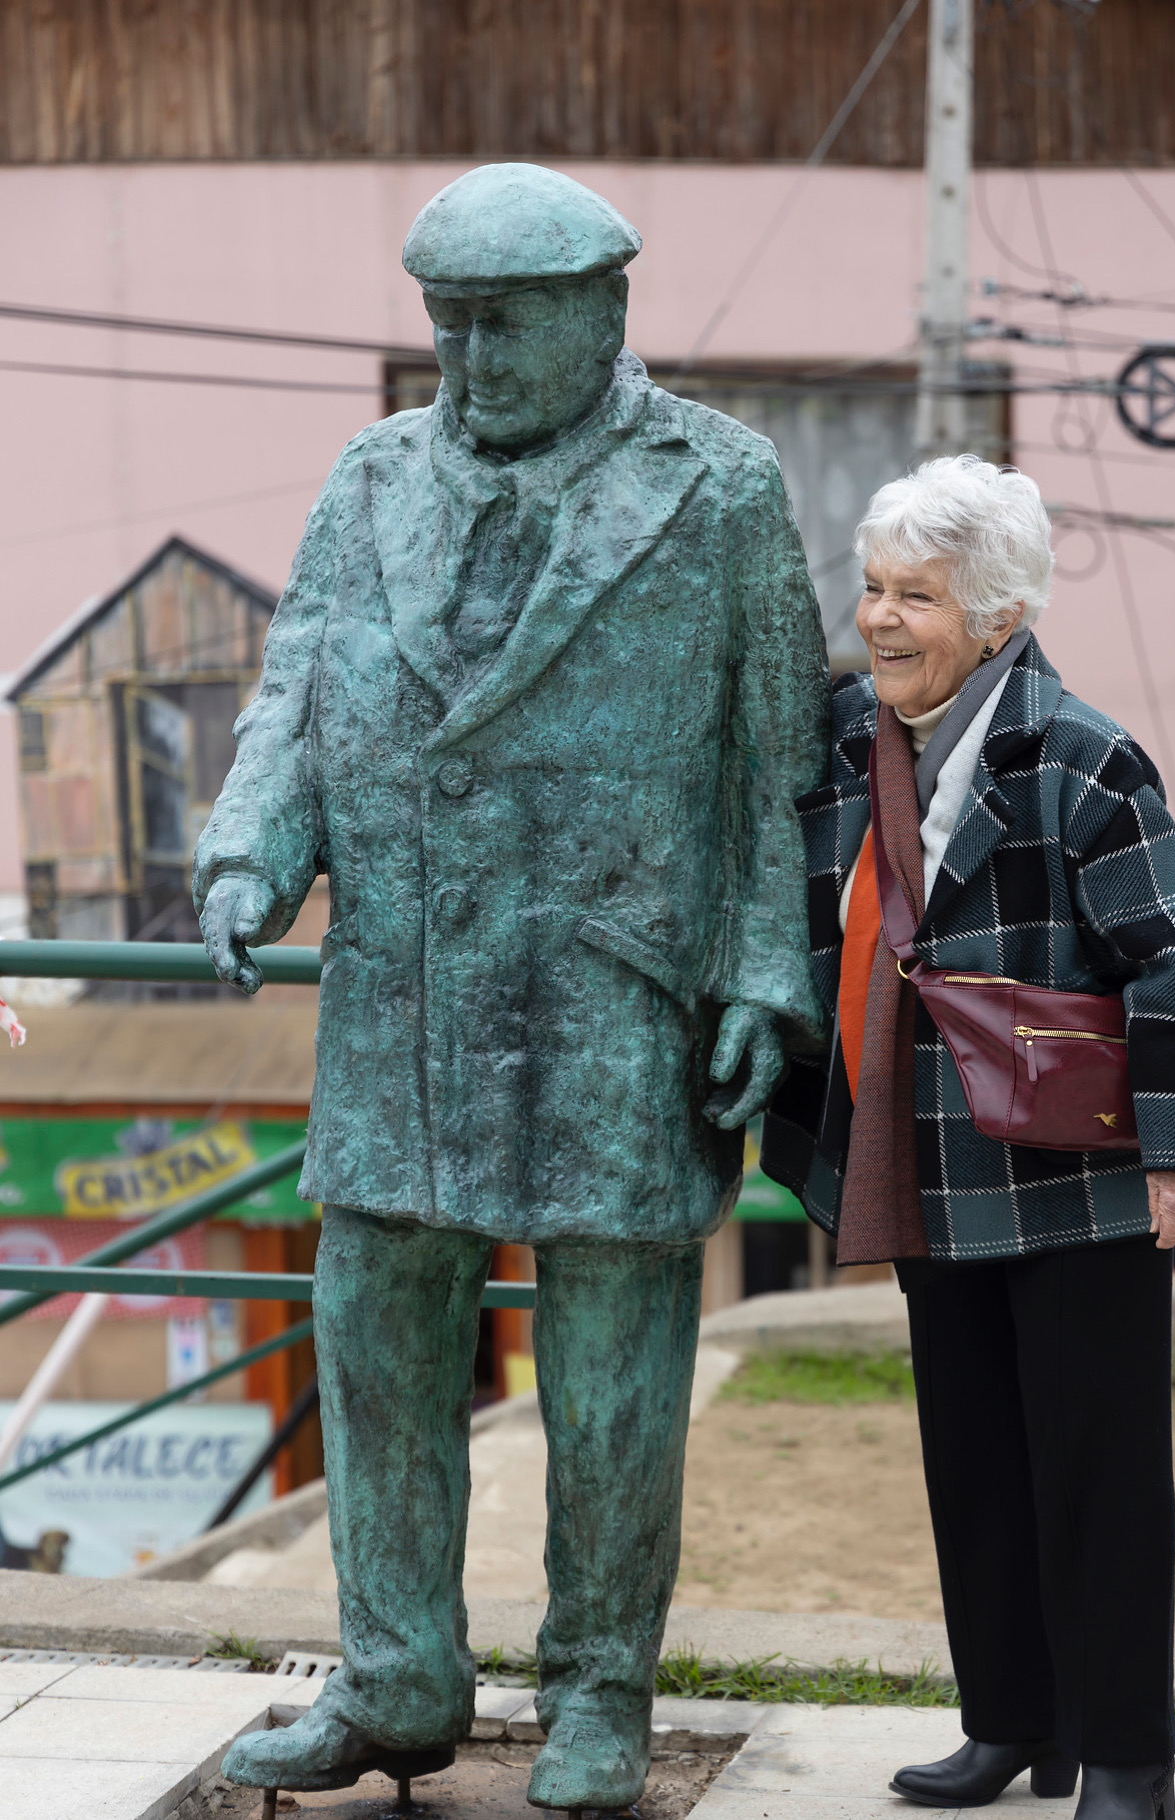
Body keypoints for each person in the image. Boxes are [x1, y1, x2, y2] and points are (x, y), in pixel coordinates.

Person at [195, 162, 828, 1802]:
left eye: (499, 326)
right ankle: (397, 1678)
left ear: (603, 312)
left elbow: (776, 757)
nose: (463, 363)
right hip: (402, 979)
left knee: (613, 1348)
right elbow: (299, 686)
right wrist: (247, 854)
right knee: (376, 1324)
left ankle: (599, 1692)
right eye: (445, 327)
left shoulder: (720, 485)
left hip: (614, 977)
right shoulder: (371, 472)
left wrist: (768, 965)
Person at [763, 455, 1175, 1820]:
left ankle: (1129, 1757)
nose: (881, 620)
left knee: (1095, 1472)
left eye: (918, 596)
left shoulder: (1077, 755)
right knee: (971, 1457)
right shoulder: (848, 739)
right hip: (925, 1157)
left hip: (1077, 1171)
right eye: (870, 589)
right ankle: (1012, 1725)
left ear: (999, 615)